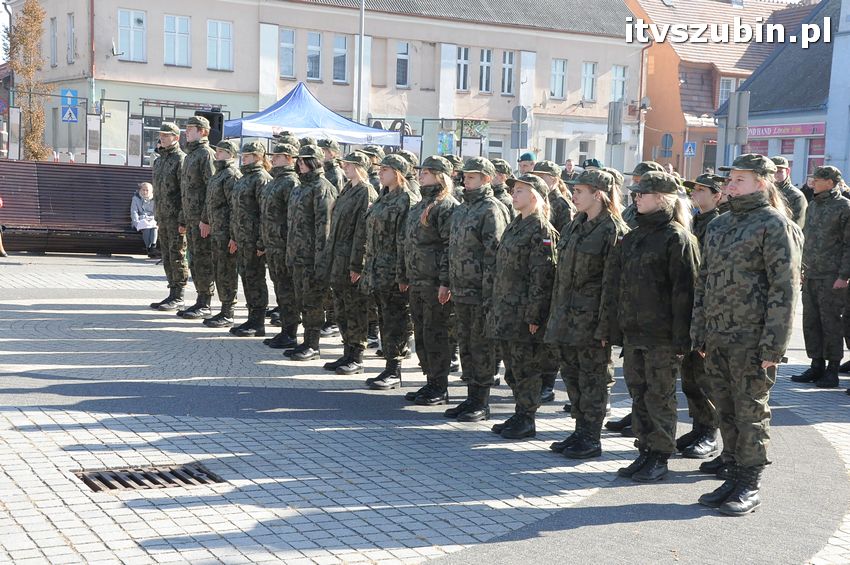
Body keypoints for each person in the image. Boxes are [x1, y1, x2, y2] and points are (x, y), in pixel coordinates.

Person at [692, 153, 802, 516]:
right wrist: (701, 331)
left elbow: (783, 289)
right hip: (719, 336)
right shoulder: (721, 225)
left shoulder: (773, 224)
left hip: (752, 339)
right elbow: (704, 282)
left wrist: (774, 344)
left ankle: (750, 482)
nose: (731, 185)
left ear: (762, 182)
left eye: (740, 180)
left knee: (750, 412)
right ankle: (733, 472)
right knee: (725, 409)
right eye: (730, 180)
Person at [603, 171, 699, 483]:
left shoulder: (677, 238)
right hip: (635, 333)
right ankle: (644, 450)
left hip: (662, 337)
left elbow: (685, 293)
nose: (636, 198)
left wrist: (683, 340)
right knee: (639, 394)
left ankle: (660, 455)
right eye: (636, 194)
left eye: (642, 194)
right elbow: (619, 286)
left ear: (661, 198)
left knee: (660, 396)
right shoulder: (633, 236)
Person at [546, 169, 627, 458]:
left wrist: (606, 327)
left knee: (593, 379)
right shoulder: (574, 225)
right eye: (573, 190)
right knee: (572, 376)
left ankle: (592, 437)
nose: (574, 195)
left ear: (598, 194)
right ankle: (580, 430)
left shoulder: (612, 230)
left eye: (580, 190)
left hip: (592, 321)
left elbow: (613, 284)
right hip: (566, 318)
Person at [489, 174, 558, 440]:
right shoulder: (515, 225)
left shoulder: (541, 229)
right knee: (513, 368)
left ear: (534, 196)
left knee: (526, 368)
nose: (514, 195)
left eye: (520, 191)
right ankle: (520, 412)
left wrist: (535, 314)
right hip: (506, 309)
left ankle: (527, 418)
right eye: (514, 191)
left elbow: (543, 275)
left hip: (523, 312)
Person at [444, 157, 510, 422]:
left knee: (481, 346)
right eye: (465, 176)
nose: (465, 180)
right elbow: (451, 248)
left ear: (486, 179)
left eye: (472, 177)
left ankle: (481, 401)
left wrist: (489, 294)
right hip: (461, 290)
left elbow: (494, 255)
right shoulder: (462, 209)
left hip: (481, 292)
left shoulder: (490, 209)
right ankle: (470, 397)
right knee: (467, 345)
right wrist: (446, 281)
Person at [399, 155, 460, 405]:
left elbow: (449, 247)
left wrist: (445, 282)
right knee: (423, 334)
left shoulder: (447, 206)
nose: (421, 175)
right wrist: (403, 274)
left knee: (436, 334)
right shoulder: (420, 204)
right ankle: (430, 381)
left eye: (426, 172)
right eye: (421, 171)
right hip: (417, 280)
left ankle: (440, 385)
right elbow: (408, 243)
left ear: (439, 176)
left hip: (435, 283)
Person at [674, 174, 724, 459]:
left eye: (702, 190)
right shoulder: (695, 220)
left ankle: (710, 432)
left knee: (705, 378)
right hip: (691, 307)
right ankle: (698, 425)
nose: (695, 193)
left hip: (707, 310)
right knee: (690, 376)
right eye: (693, 189)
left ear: (717, 195)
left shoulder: (718, 224)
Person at [362, 154, 421, 389]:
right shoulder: (383, 196)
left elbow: (405, 240)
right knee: (385, 318)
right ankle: (388, 366)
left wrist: (402, 274)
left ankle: (394, 370)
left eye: (385, 169)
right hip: (378, 269)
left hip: (393, 272)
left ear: (397, 172)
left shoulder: (407, 199)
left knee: (396, 320)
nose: (380, 173)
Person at [318, 151, 379, 375]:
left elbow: (363, 232)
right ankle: (347, 351)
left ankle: (357, 355)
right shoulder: (348, 188)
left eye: (350, 164)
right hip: (338, 258)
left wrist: (357, 265)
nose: (345, 167)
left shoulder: (366, 192)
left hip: (350, 260)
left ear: (360, 167)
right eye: (345, 163)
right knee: (342, 307)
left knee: (355, 308)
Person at [791, 165, 850, 389]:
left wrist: (844, 275)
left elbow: (848, 245)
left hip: (832, 276)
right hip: (812, 274)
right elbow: (807, 239)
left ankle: (832, 370)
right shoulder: (814, 205)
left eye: (818, 178)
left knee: (831, 323)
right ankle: (816, 365)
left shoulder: (844, 207)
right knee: (811, 322)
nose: (813, 181)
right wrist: (802, 269)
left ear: (831, 182)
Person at [283, 144, 337, 361]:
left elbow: (324, 228)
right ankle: (305, 341)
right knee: (301, 300)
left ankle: (313, 344)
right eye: (299, 160)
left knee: (313, 300)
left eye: (304, 160)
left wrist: (320, 261)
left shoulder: (322, 188)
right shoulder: (299, 187)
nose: (300, 164)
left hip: (311, 258)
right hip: (297, 255)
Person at [258, 143, 301, 349]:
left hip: (283, 245)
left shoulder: (290, 181)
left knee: (287, 291)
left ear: (289, 158)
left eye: (277, 155)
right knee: (280, 289)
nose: (273, 158)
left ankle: (290, 332)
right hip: (272, 244)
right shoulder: (276, 180)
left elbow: (291, 218)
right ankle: (285, 329)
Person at [228, 141, 273, 337]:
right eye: (243, 155)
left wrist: (261, 242)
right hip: (242, 238)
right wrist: (234, 236)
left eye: (247, 155)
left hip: (254, 240)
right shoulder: (245, 177)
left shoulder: (261, 178)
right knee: (247, 278)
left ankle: (258, 321)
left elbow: (265, 214)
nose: (243, 158)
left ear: (258, 157)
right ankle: (251, 317)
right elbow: (236, 211)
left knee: (255, 279)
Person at [177, 116, 217, 320]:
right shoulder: (190, 155)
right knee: (194, 261)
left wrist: (206, 219)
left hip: (202, 221)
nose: (187, 132)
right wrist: (183, 219)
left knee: (203, 261)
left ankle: (206, 302)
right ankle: (200, 299)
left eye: (191, 129)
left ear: (203, 131)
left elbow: (211, 190)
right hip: (191, 219)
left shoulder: (206, 155)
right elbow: (186, 191)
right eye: (186, 128)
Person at [200, 139, 242, 328]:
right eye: (217, 150)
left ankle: (228, 311)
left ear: (231, 154)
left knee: (227, 271)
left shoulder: (231, 175)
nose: (217, 153)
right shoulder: (219, 173)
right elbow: (209, 201)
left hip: (226, 232)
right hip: (216, 230)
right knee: (219, 269)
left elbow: (235, 208)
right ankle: (223, 308)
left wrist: (234, 236)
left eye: (222, 151)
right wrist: (206, 220)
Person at [149, 122, 188, 311]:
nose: (162, 138)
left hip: (175, 218)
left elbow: (184, 193)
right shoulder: (160, 160)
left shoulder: (181, 160)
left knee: (177, 254)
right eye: (161, 135)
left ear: (176, 137)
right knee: (166, 255)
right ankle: (172, 291)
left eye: (166, 135)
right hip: (163, 216)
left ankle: (179, 294)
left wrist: (183, 219)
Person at [771, 156, 807, 228]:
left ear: (787, 171)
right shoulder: (763, 191)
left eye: (779, 172)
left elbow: (798, 226)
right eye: (772, 172)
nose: (775, 175)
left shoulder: (796, 196)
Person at [131, 182, 158, 257]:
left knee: (154, 227)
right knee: (146, 227)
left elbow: (156, 212)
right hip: (140, 219)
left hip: (152, 219)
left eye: (147, 190)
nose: (145, 192)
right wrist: (137, 223)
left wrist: (155, 220)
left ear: (151, 191)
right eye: (143, 190)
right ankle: (149, 248)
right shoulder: (136, 198)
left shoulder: (155, 199)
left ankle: (152, 247)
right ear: (140, 190)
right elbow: (134, 212)